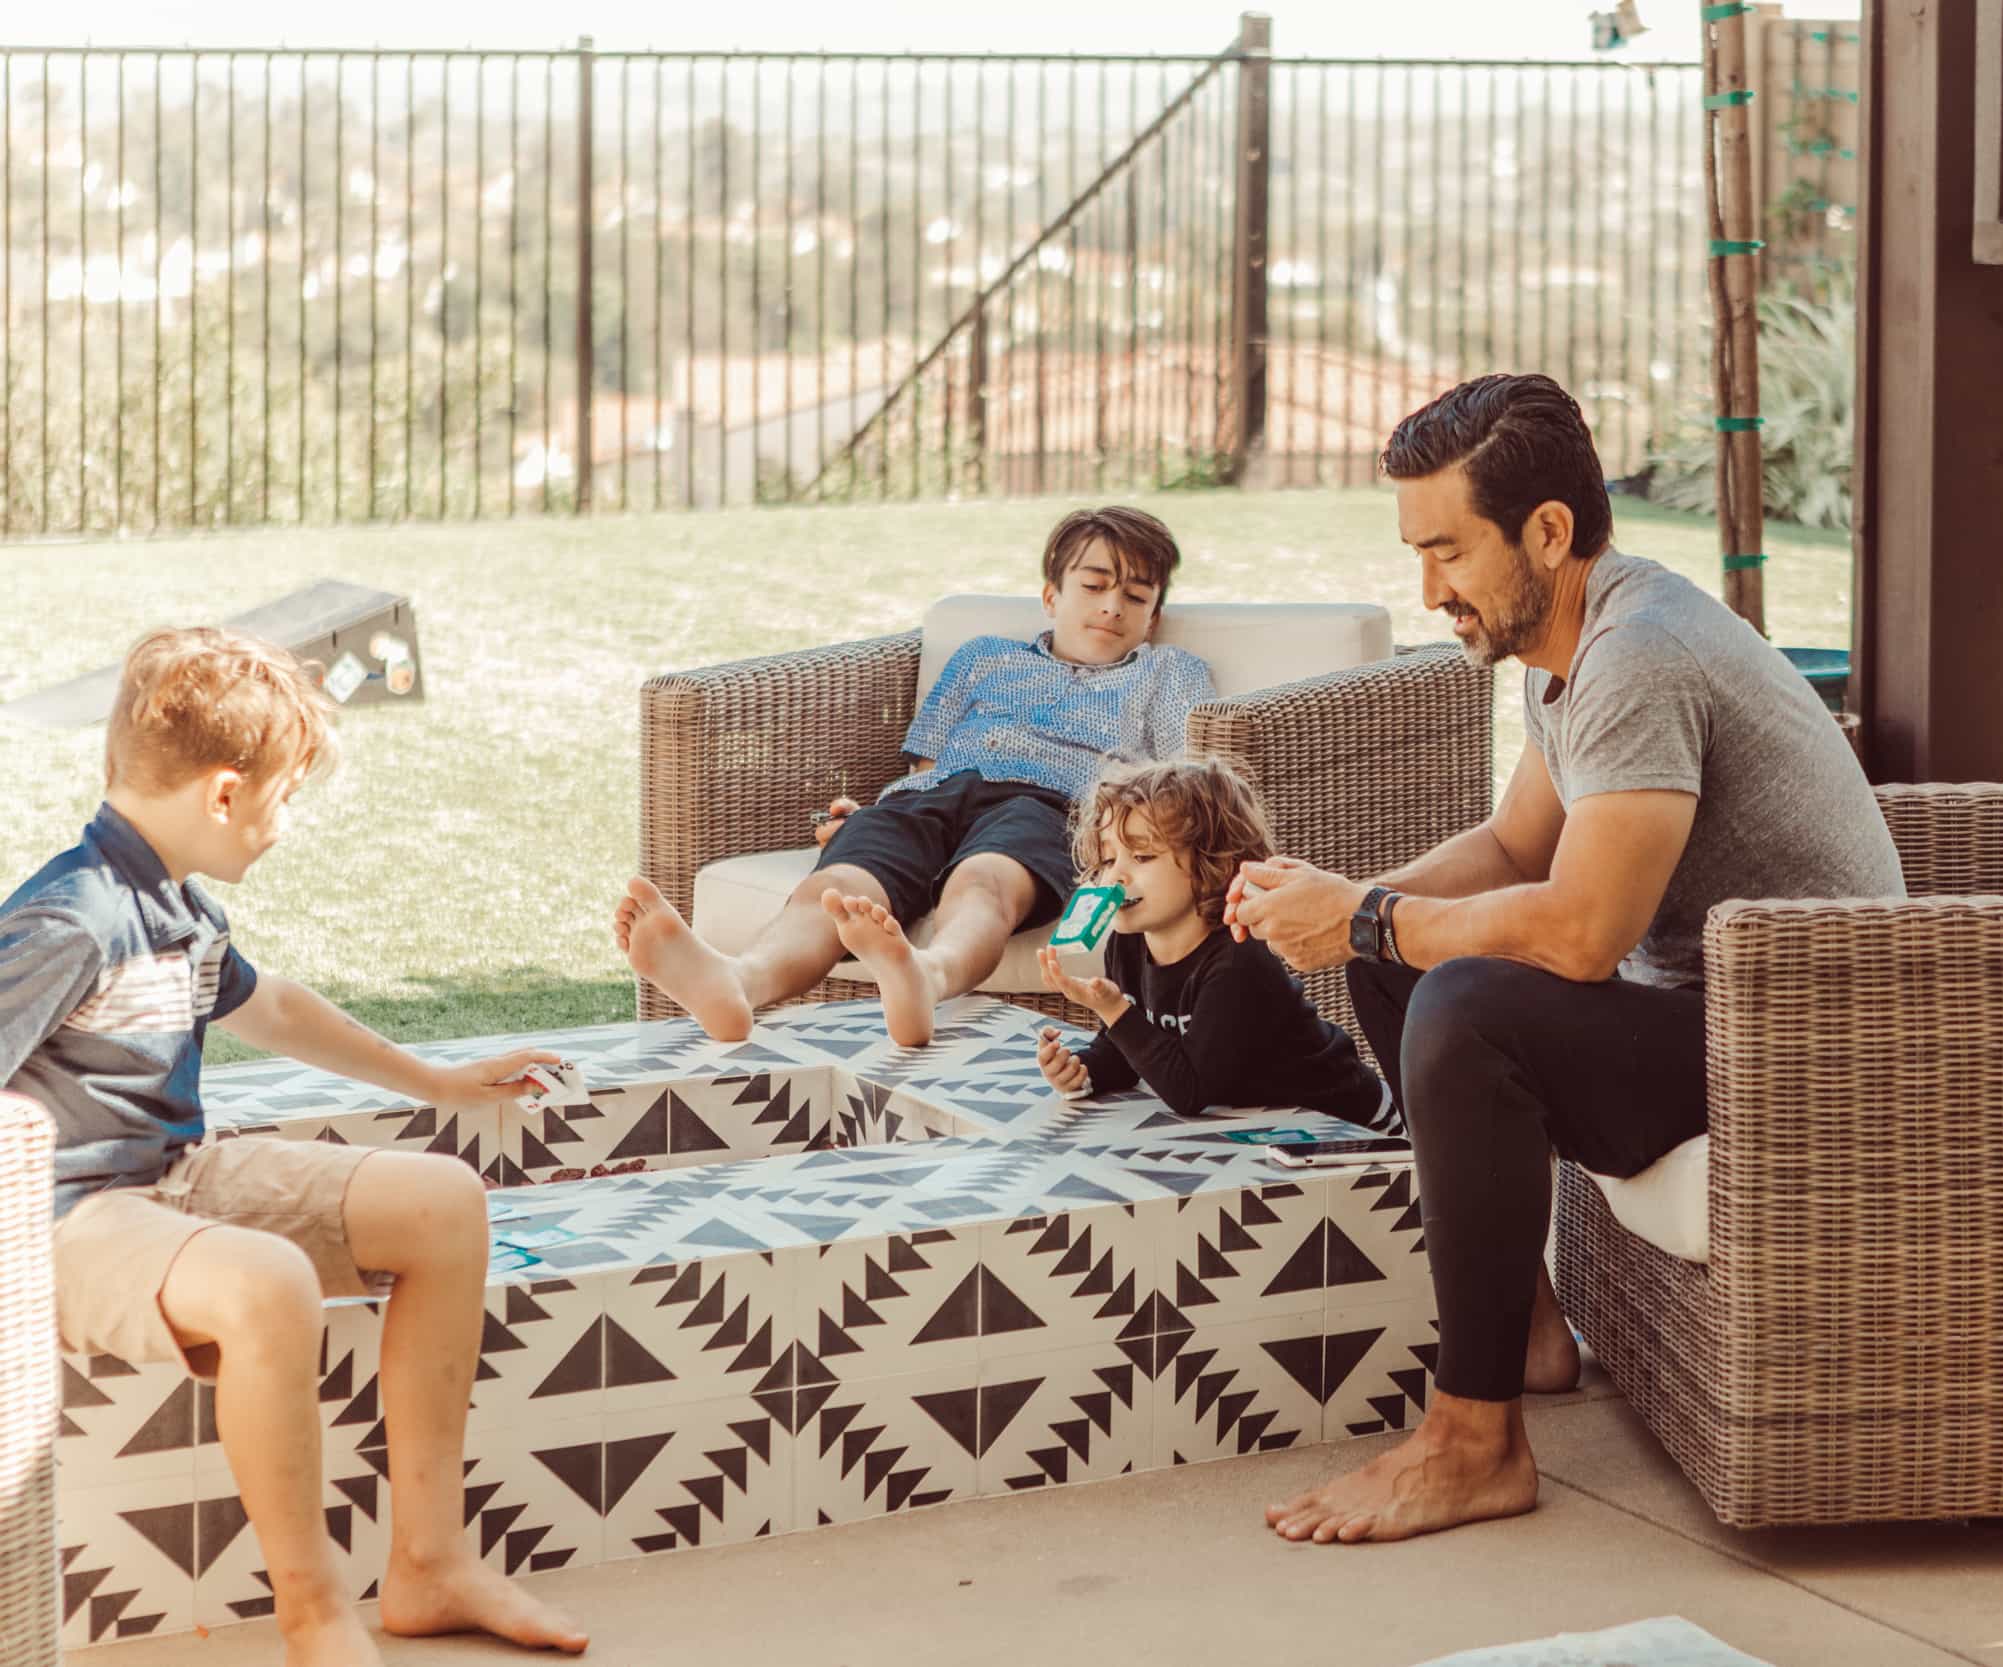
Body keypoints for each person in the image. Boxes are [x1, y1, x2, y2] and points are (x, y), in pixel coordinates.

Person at [1232, 373, 1906, 1544]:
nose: (1429, 590)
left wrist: (1367, 916)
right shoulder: (1578, 634)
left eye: (1448, 551)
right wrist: (1342, 902)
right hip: (1712, 1009)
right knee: (1399, 953)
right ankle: (1528, 1327)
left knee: (1462, 1003)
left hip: (1805, 1042)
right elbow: (1511, 845)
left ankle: (1473, 1440)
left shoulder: (1639, 653)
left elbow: (1583, 931)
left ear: (1547, 530)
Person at [0, 628, 587, 1666]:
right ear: (227, 793)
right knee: (269, 1278)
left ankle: (431, 1563)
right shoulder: (71, 918)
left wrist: (442, 1080)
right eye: (285, 793)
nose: (285, 822)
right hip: (68, 1218)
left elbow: (276, 1009)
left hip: (172, 1175)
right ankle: (315, 1613)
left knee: (443, 1200)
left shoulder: (178, 903)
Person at [616, 505, 1217, 1048]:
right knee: (842, 887)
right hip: (935, 795)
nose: (1113, 606)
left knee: (985, 883)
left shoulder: (1170, 673)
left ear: (1154, 616)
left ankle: (926, 973)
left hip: (1052, 804)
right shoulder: (983, 658)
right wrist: (865, 817)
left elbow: (1177, 785)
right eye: (1094, 586)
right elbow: (924, 769)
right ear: (1052, 595)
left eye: (1137, 598)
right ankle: (739, 982)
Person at [1031, 757, 1394, 1129]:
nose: (1116, 875)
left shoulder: (1237, 961)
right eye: (1107, 859)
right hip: (1255, 1127)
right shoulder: (1126, 947)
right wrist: (1081, 1071)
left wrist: (1113, 1009)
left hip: (1348, 1125)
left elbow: (1189, 1092)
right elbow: (1125, 1053)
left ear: (1211, 865)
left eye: (1142, 856)